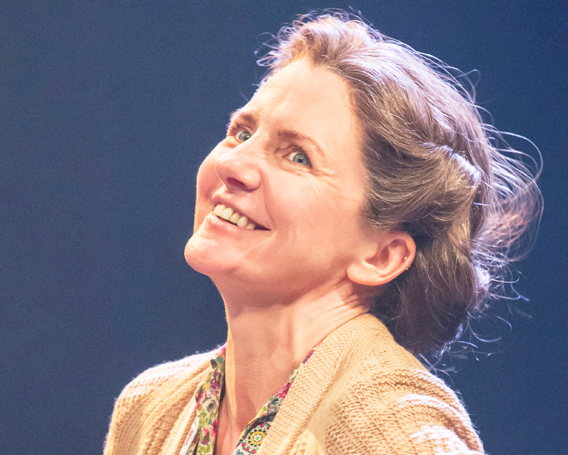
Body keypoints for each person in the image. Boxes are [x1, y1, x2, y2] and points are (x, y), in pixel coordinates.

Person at [104, 12, 541, 455]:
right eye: (242, 132)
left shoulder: (392, 425)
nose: (231, 165)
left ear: (382, 256)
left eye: (297, 157)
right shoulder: (152, 409)